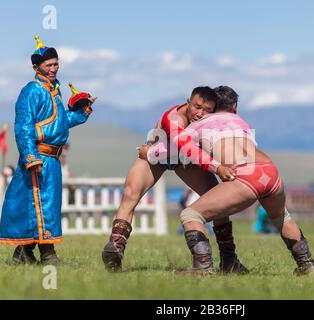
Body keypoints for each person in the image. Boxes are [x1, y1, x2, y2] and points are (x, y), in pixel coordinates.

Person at [102, 87, 247, 274]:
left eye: (207, 110)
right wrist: (217, 167)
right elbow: (185, 149)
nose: (200, 113)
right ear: (188, 102)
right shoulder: (175, 119)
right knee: (130, 193)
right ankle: (115, 248)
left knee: (216, 199)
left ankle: (229, 259)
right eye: (197, 107)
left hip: (182, 159)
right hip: (159, 156)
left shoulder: (208, 120)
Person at [178, 86, 314, 276]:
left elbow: (174, 147)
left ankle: (203, 267)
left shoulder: (201, 123)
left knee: (190, 216)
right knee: (282, 218)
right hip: (269, 171)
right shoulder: (241, 122)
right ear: (234, 107)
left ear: (213, 106)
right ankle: (308, 266)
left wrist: (150, 152)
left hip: (245, 176)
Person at [0, 35, 97, 265]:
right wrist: (30, 156)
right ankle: (48, 254)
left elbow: (59, 122)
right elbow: (23, 127)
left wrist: (83, 111)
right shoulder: (31, 91)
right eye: (49, 65)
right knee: (40, 204)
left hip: (53, 159)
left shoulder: (55, 91)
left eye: (56, 64)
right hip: (38, 156)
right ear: (36, 67)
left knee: (45, 205)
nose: (54, 68)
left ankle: (23, 253)